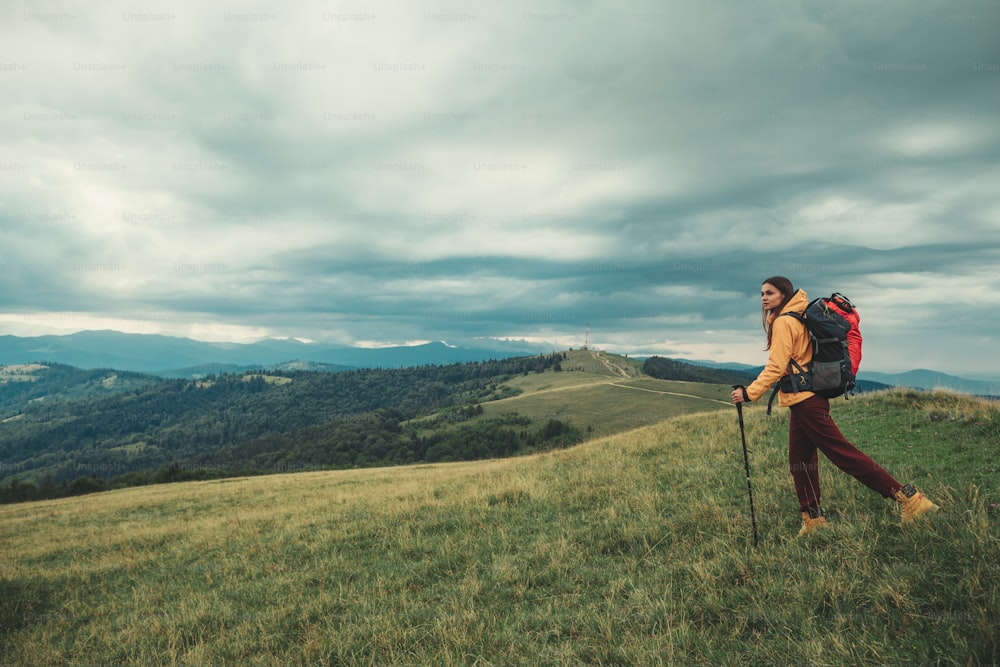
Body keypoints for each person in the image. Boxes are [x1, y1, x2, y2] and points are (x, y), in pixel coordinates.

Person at [731, 276, 938, 536]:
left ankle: (908, 498)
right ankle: (813, 519)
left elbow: (776, 366)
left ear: (784, 294)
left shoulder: (785, 321)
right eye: (761, 293)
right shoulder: (795, 316)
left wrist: (749, 394)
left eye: (769, 293)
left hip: (807, 401)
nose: (763, 298)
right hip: (804, 399)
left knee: (842, 453)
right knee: (800, 461)